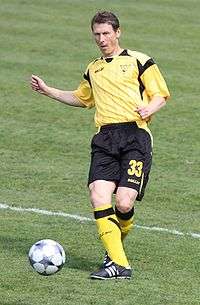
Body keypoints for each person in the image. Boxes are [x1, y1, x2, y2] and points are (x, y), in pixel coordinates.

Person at [31, 11, 170, 280]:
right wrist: (49, 91)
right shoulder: (93, 68)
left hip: (135, 135)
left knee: (125, 202)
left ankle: (113, 250)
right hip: (105, 137)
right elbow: (82, 98)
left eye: (106, 33)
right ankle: (119, 264)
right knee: (98, 195)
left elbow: (161, 94)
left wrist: (148, 108)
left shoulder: (139, 61)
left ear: (118, 32)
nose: (102, 39)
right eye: (97, 34)